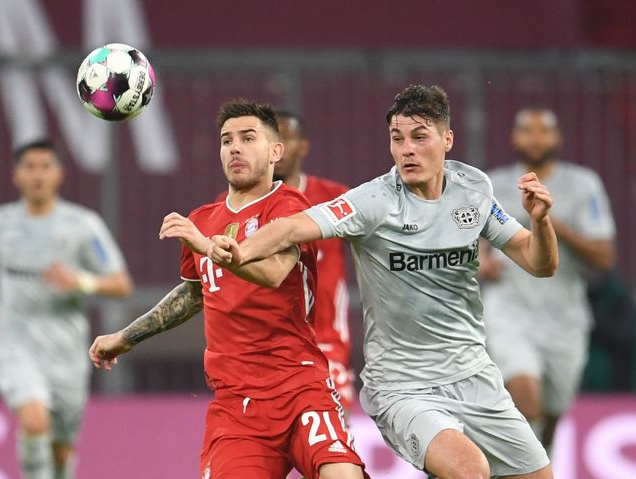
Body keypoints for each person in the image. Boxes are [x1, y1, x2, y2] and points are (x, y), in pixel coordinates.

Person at [208, 85, 559, 479]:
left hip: (475, 377)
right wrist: (240, 251)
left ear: (447, 140)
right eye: (397, 139)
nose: (407, 149)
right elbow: (291, 227)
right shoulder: (373, 202)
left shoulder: (473, 191)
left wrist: (540, 221)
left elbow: (539, 262)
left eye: (419, 137)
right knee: (468, 469)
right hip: (403, 386)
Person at [89, 100, 368, 479]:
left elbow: (273, 272)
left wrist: (207, 247)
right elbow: (193, 293)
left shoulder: (289, 206)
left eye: (248, 138)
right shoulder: (204, 218)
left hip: (299, 387)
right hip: (237, 405)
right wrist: (127, 337)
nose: (234, 148)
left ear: (276, 151)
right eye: (226, 140)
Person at [0, 139, 133, 479]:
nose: (37, 175)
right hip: (15, 342)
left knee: (61, 449)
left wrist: (80, 282)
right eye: (29, 167)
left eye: (45, 166)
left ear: (59, 174)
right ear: (16, 175)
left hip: (66, 349)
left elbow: (121, 284)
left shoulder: (83, 225)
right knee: (34, 419)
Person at [478, 108, 616, 451]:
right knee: (527, 404)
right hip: (510, 312)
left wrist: (545, 219)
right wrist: (481, 260)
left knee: (551, 414)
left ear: (557, 138)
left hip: (564, 319)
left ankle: (540, 465)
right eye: (527, 130)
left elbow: (603, 256)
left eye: (544, 131)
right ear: (514, 137)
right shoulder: (493, 184)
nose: (535, 138)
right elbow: (474, 236)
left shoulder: (583, 185)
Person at [216, 109, 355, 410]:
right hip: (260, 353)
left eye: (285, 138)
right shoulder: (227, 209)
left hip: (324, 344)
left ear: (300, 146)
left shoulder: (334, 198)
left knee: (328, 442)